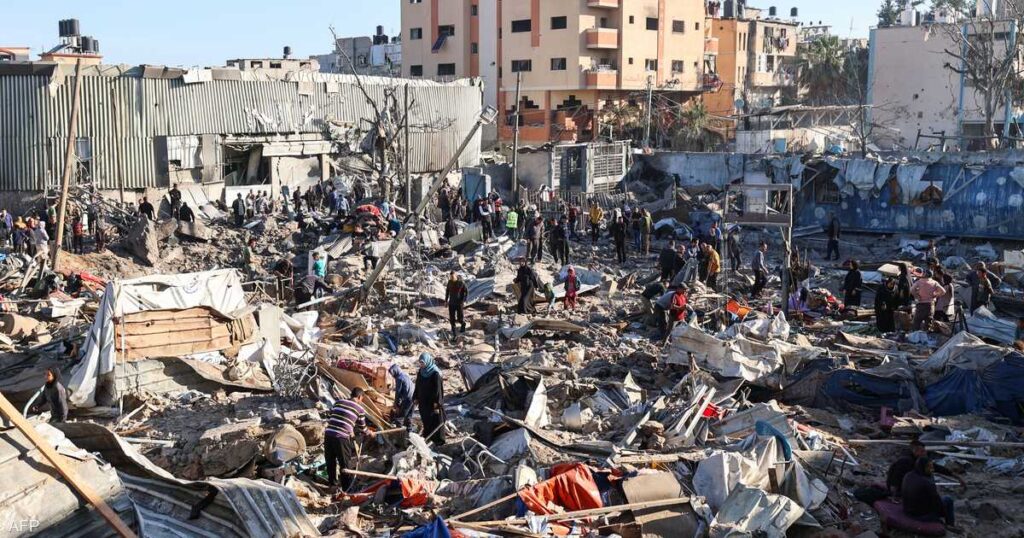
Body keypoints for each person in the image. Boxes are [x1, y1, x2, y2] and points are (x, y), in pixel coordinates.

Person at [324, 388, 368, 491]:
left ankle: (332, 485)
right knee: (344, 464)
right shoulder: (359, 409)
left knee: (330, 461)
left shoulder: (338, 402)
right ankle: (346, 489)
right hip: (341, 437)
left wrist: (350, 429)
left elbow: (333, 418)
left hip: (328, 434)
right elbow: (363, 429)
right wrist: (370, 433)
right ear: (360, 397)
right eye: (362, 399)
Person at [901, 458, 957, 529]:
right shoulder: (927, 482)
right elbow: (937, 503)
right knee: (948, 499)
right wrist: (944, 514)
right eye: (930, 467)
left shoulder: (908, 475)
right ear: (923, 467)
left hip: (906, 511)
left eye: (932, 467)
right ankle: (950, 525)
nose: (932, 470)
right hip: (921, 516)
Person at [413, 353, 446, 445]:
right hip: (423, 401)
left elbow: (438, 390)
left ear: (428, 361)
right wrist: (415, 397)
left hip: (432, 403)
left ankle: (438, 441)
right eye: (420, 363)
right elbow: (417, 385)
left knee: (435, 420)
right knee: (426, 419)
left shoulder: (435, 373)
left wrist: (437, 402)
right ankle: (428, 437)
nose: (421, 365)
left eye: (423, 363)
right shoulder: (421, 372)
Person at [389, 364, 414, 429]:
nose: (392, 375)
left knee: (400, 416)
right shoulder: (405, 375)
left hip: (407, 398)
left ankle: (398, 431)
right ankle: (409, 430)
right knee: (409, 415)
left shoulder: (399, 378)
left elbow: (398, 393)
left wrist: (396, 404)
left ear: (395, 371)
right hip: (414, 397)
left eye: (392, 373)